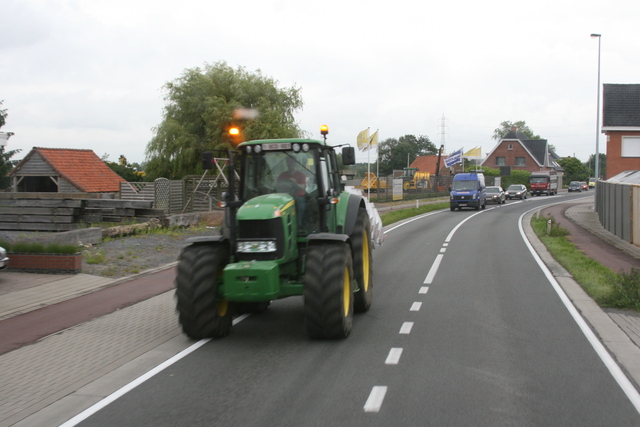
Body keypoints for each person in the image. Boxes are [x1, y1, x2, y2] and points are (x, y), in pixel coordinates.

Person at [277, 156, 307, 230]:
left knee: (301, 205)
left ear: (295, 163)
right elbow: (278, 186)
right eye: (289, 162)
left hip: (298, 197)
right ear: (286, 163)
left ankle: (299, 225)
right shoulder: (282, 175)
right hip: (284, 197)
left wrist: (295, 183)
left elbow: (303, 187)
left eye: (292, 162)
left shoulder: (301, 175)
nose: (290, 164)